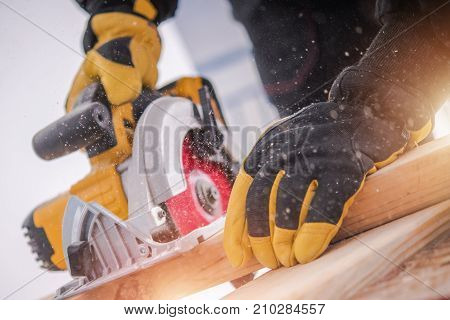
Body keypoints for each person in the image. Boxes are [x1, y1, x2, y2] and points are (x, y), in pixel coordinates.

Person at [71, 0, 450, 269]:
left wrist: (391, 88)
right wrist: (119, 14)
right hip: (286, 26)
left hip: (379, 17)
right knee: (317, 179)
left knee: (366, 147)